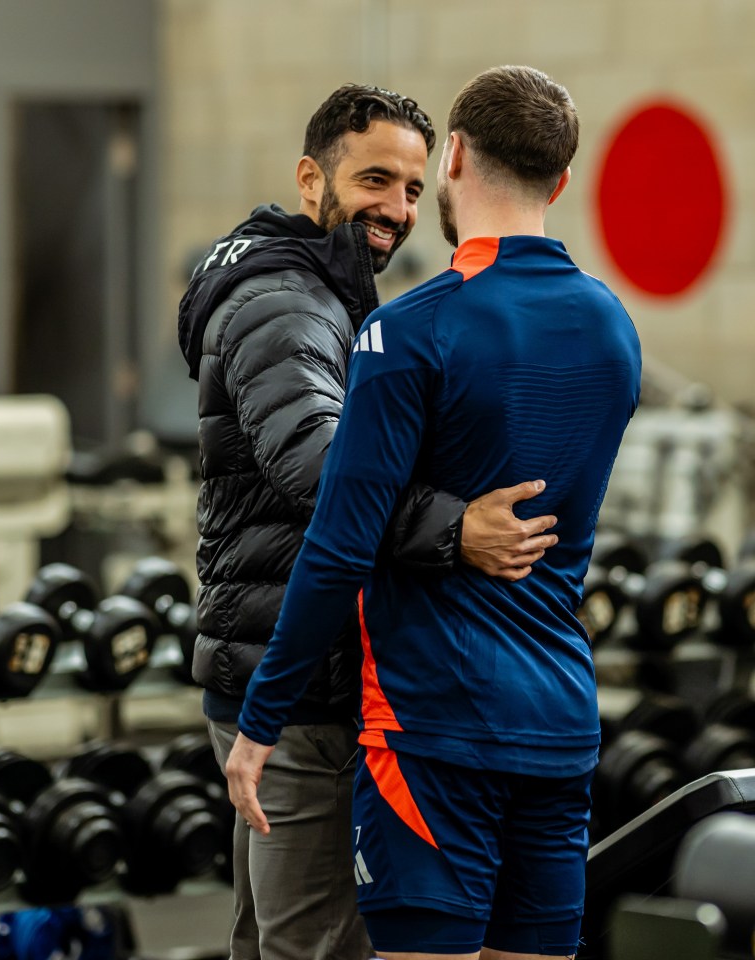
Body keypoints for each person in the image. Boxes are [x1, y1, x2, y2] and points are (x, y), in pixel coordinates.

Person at [226, 65, 642, 960]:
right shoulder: (615, 328)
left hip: (434, 731)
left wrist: (259, 723)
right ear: (561, 181)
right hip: (562, 725)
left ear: (452, 157)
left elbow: (338, 548)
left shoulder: (410, 330)